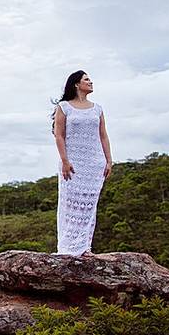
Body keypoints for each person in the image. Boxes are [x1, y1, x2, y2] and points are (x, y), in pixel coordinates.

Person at [52, 70, 112, 256]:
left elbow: (103, 135)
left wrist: (109, 160)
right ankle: (68, 248)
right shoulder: (64, 107)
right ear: (76, 84)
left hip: (94, 164)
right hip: (72, 164)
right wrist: (64, 160)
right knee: (70, 204)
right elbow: (59, 135)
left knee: (89, 205)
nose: (91, 82)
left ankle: (85, 247)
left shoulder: (97, 109)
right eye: (87, 79)